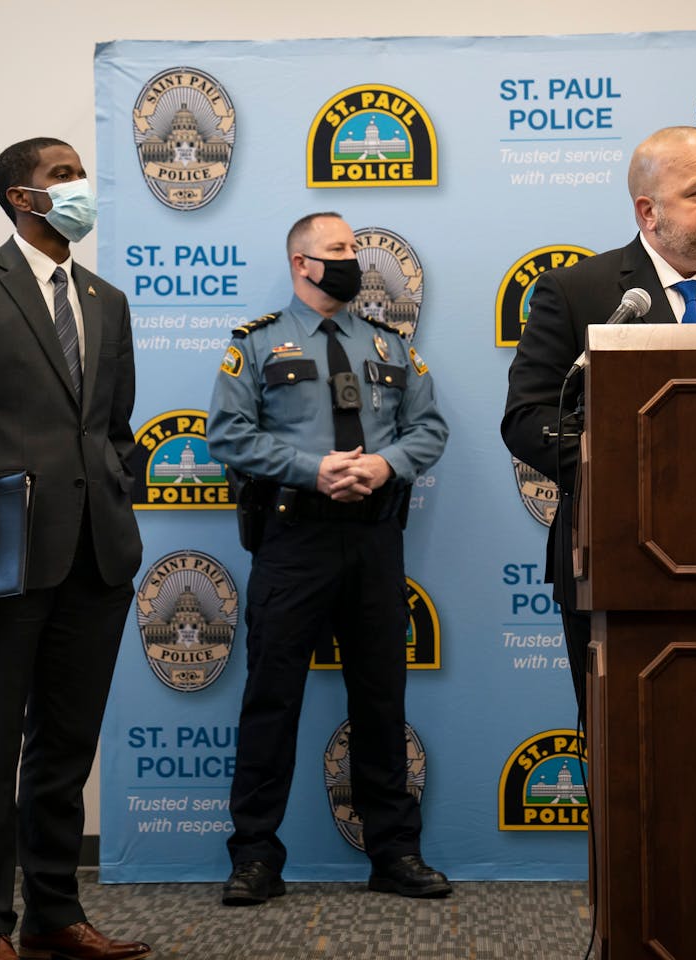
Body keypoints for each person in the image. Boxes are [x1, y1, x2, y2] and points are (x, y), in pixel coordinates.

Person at [0, 138, 149, 960]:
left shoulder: (106, 298)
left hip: (97, 558)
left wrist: (123, 492)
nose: (80, 185)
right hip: (3, 560)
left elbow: (114, 427)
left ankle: (53, 916)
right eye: (63, 175)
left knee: (65, 748)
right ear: (23, 195)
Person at [501, 126, 696, 718]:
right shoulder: (579, 292)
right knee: (630, 740)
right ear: (648, 213)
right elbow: (528, 417)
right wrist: (639, 469)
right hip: (623, 556)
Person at [208, 211, 451, 906]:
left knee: (381, 697)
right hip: (294, 538)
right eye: (340, 249)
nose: (355, 260)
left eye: (356, 249)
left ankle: (395, 853)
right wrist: (312, 468)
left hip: (375, 538)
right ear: (302, 263)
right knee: (271, 699)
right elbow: (228, 432)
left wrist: (384, 464)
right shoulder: (254, 346)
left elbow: (429, 428)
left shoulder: (390, 345)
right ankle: (255, 856)